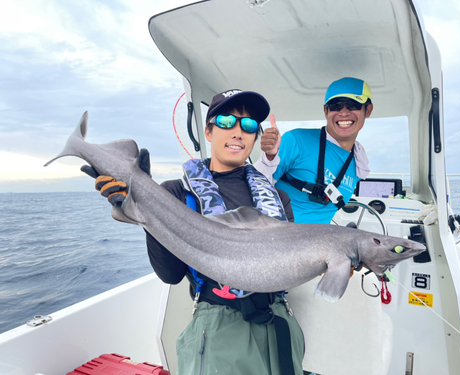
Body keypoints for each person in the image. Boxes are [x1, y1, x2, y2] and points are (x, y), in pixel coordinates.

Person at [83, 89, 305, 375]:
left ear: (255, 137)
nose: (238, 132)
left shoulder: (278, 198)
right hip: (219, 328)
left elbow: (291, 269)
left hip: (279, 322)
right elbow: (171, 274)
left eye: (249, 125)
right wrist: (147, 207)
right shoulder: (177, 193)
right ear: (209, 131)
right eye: (227, 121)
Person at [255, 77, 373, 224]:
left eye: (352, 105)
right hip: (276, 235)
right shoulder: (296, 140)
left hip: (320, 242)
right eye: (336, 106)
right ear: (326, 111)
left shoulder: (359, 163)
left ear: (367, 110)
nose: (343, 112)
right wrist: (269, 157)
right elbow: (254, 183)